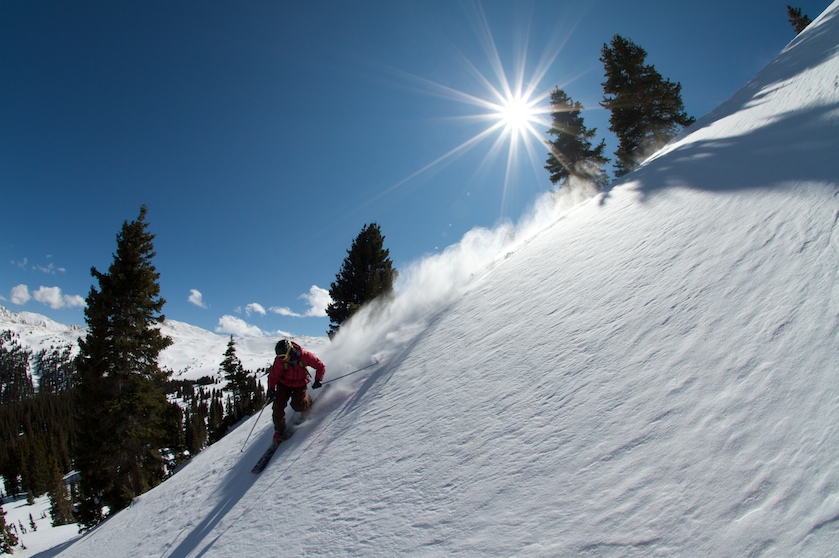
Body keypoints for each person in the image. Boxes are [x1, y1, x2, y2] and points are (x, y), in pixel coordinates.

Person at [266, 339, 326, 443]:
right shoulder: (280, 361)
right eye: (279, 357)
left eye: (283, 356)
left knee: (298, 406)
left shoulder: (305, 356)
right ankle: (279, 430)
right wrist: (271, 388)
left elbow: (320, 366)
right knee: (278, 407)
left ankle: (308, 401)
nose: (282, 359)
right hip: (284, 384)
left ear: (290, 351)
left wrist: (318, 379)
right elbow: (273, 376)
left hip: (300, 384)